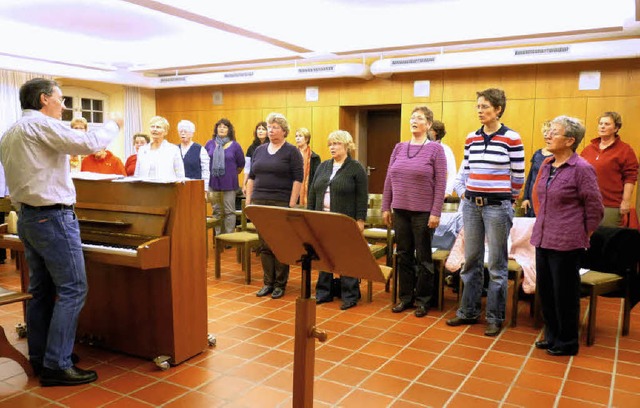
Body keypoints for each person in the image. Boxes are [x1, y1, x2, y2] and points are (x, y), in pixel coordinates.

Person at [0, 78, 122, 386]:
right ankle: (57, 363)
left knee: (42, 291)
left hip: (28, 217)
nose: (64, 105)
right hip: (52, 218)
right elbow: (88, 143)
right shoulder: (39, 125)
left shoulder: (11, 131)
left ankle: (42, 356)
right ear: (44, 99)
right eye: (61, 99)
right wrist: (113, 124)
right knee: (73, 288)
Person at [446, 88, 525, 336]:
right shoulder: (471, 138)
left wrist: (507, 200)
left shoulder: (512, 138)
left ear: (498, 109)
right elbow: (466, 170)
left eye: (485, 107)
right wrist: (467, 192)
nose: (480, 111)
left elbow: (518, 176)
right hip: (471, 205)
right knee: (471, 261)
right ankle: (468, 312)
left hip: (497, 206)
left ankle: (494, 316)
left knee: (498, 265)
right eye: (478, 106)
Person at [531, 116, 603, 356]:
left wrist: (583, 235)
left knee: (565, 294)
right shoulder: (547, 164)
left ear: (570, 140)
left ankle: (567, 341)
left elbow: (595, 209)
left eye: (555, 132)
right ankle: (551, 335)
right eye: (548, 130)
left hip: (567, 242)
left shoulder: (581, 168)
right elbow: (538, 197)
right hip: (543, 238)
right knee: (547, 291)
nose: (548, 135)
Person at [383, 106, 447, 318]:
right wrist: (386, 206)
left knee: (424, 258)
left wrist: (435, 211)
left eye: (419, 118)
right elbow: (389, 179)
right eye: (412, 118)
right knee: (403, 255)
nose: (414, 121)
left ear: (428, 124)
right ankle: (405, 297)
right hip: (400, 210)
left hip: (423, 212)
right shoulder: (399, 147)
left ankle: (423, 300)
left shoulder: (436, 150)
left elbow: (441, 184)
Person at [246, 113, 303, 299]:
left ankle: (280, 284)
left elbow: (298, 179)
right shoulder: (259, 150)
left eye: (275, 127)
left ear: (284, 131)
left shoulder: (291, 151)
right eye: (269, 127)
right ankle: (267, 283)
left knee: (279, 244)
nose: (271, 130)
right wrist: (249, 204)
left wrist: (292, 203)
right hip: (259, 202)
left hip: (281, 202)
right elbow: (251, 177)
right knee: (264, 244)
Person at [309, 130, 367, 310]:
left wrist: (360, 219)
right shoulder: (323, 166)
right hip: (322, 219)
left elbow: (361, 196)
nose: (332, 147)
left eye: (336, 144)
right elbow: (313, 192)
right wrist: (310, 215)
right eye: (330, 144)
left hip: (344, 220)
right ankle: (323, 292)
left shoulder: (355, 168)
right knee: (324, 256)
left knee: (345, 257)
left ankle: (349, 295)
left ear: (347, 146)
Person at [580, 112, 638, 227]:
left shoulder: (625, 150)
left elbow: (630, 178)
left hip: (610, 205)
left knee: (606, 240)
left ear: (616, 128)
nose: (602, 126)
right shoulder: (588, 149)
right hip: (585, 203)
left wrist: (626, 201)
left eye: (607, 124)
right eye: (600, 123)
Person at [204, 118, 245, 235]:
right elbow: (204, 161)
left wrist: (229, 173)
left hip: (229, 183)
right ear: (216, 129)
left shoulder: (235, 146)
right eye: (220, 126)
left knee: (229, 211)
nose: (222, 128)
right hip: (213, 182)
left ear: (229, 130)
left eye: (225, 126)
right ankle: (218, 236)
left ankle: (229, 236)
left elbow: (241, 164)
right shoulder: (209, 144)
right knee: (216, 210)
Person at [521, 121, 553, 217]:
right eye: (545, 132)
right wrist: (525, 197)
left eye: (549, 132)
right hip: (532, 198)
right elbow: (530, 177)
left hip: (547, 200)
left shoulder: (557, 156)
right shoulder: (537, 154)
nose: (546, 135)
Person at [177, 120, 210, 190]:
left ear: (192, 134)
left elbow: (206, 171)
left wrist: (205, 189)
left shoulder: (200, 149)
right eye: (181, 131)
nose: (182, 133)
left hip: (195, 187)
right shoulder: (174, 149)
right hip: (177, 187)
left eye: (185, 131)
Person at [428, 120, 456, 198]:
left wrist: (447, 192)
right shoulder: (421, 146)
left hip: (436, 192)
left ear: (435, 132)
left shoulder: (446, 150)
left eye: (429, 129)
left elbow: (452, 172)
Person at [295, 127, 320, 207]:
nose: (297, 138)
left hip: (308, 193)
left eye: (300, 136)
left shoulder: (314, 157)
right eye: (296, 136)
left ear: (306, 139)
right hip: (293, 192)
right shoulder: (291, 155)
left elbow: (316, 178)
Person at [243, 121, 268, 195]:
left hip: (267, 180)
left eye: (263, 129)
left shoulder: (271, 146)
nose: (260, 131)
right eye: (258, 129)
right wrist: (244, 184)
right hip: (254, 180)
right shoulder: (251, 147)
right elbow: (247, 167)